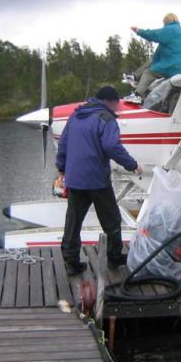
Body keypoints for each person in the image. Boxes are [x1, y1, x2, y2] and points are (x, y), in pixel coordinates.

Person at [56, 86, 143, 275]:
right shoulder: (106, 118)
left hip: (75, 179)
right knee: (111, 219)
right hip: (96, 179)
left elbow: (63, 144)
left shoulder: (75, 116)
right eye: (117, 103)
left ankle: (71, 262)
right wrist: (132, 164)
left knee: (73, 221)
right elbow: (111, 145)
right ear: (109, 102)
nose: (118, 107)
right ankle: (114, 256)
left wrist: (62, 167)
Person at [125, 12, 181, 104]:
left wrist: (139, 31)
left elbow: (154, 35)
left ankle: (137, 95)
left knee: (148, 73)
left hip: (172, 67)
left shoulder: (170, 30)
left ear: (166, 21)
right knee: (152, 61)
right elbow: (161, 54)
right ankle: (135, 77)